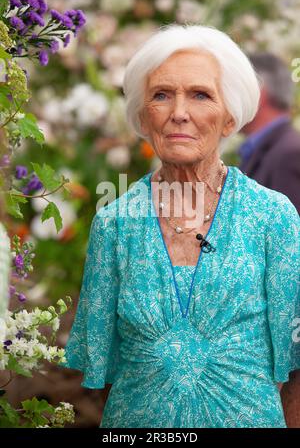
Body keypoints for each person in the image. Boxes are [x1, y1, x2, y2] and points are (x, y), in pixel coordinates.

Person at [60, 24, 300, 428]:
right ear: (142, 115)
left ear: (229, 118)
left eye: (201, 95)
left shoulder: (273, 217)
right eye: (161, 95)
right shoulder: (114, 224)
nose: (179, 113)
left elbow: (296, 370)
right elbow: (106, 371)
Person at [239, 52, 300, 214]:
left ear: (258, 92)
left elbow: (289, 236)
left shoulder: (289, 154)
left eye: (237, 88)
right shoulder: (277, 148)